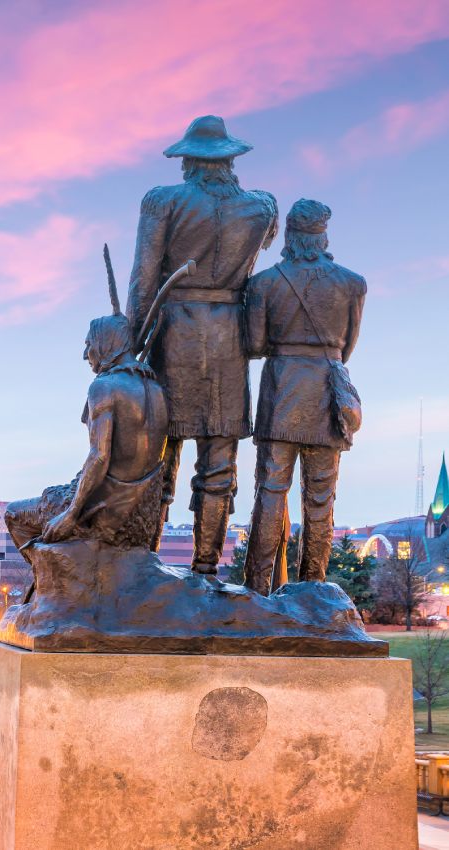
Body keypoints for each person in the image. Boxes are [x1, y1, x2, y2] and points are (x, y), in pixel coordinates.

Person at [126, 115, 278, 573]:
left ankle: (146, 563)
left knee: (158, 453)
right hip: (229, 336)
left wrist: (129, 347)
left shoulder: (162, 201)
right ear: (230, 160)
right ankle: (206, 568)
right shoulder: (263, 206)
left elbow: (144, 278)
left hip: (175, 333)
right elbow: (265, 245)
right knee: (219, 459)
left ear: (188, 160)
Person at [6, 258, 169, 563]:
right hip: (141, 516)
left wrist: (70, 514)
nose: (85, 354)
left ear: (106, 344)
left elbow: (100, 457)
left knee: (14, 514)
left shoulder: (104, 387)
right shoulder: (156, 389)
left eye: (89, 344)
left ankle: (52, 585)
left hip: (105, 510)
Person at [243, 199, 366, 595]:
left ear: (290, 237)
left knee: (269, 492)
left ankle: (256, 586)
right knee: (321, 498)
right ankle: (313, 587)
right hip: (327, 395)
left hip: (280, 392)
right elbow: (347, 347)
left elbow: (254, 345)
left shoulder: (263, 284)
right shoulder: (352, 284)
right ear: (323, 236)